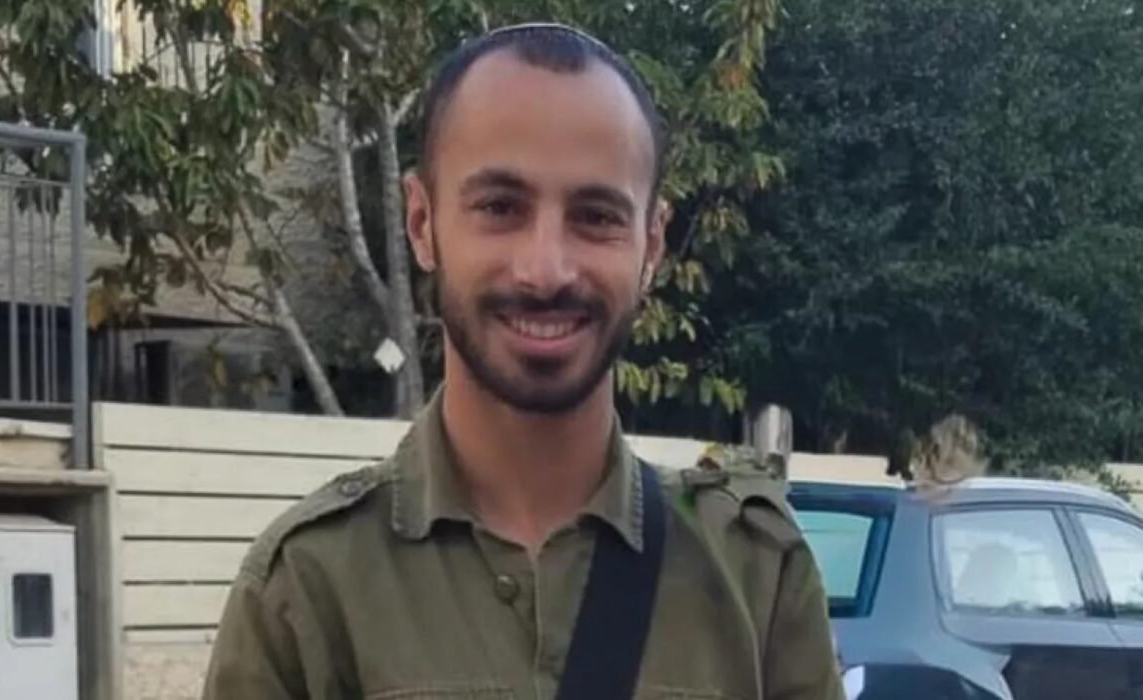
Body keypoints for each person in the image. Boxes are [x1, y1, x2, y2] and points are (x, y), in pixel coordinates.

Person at [203, 23, 844, 700]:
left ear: (652, 245)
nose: (546, 270)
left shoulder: (755, 577)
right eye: (500, 207)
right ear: (422, 224)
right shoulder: (307, 588)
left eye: (596, 216)